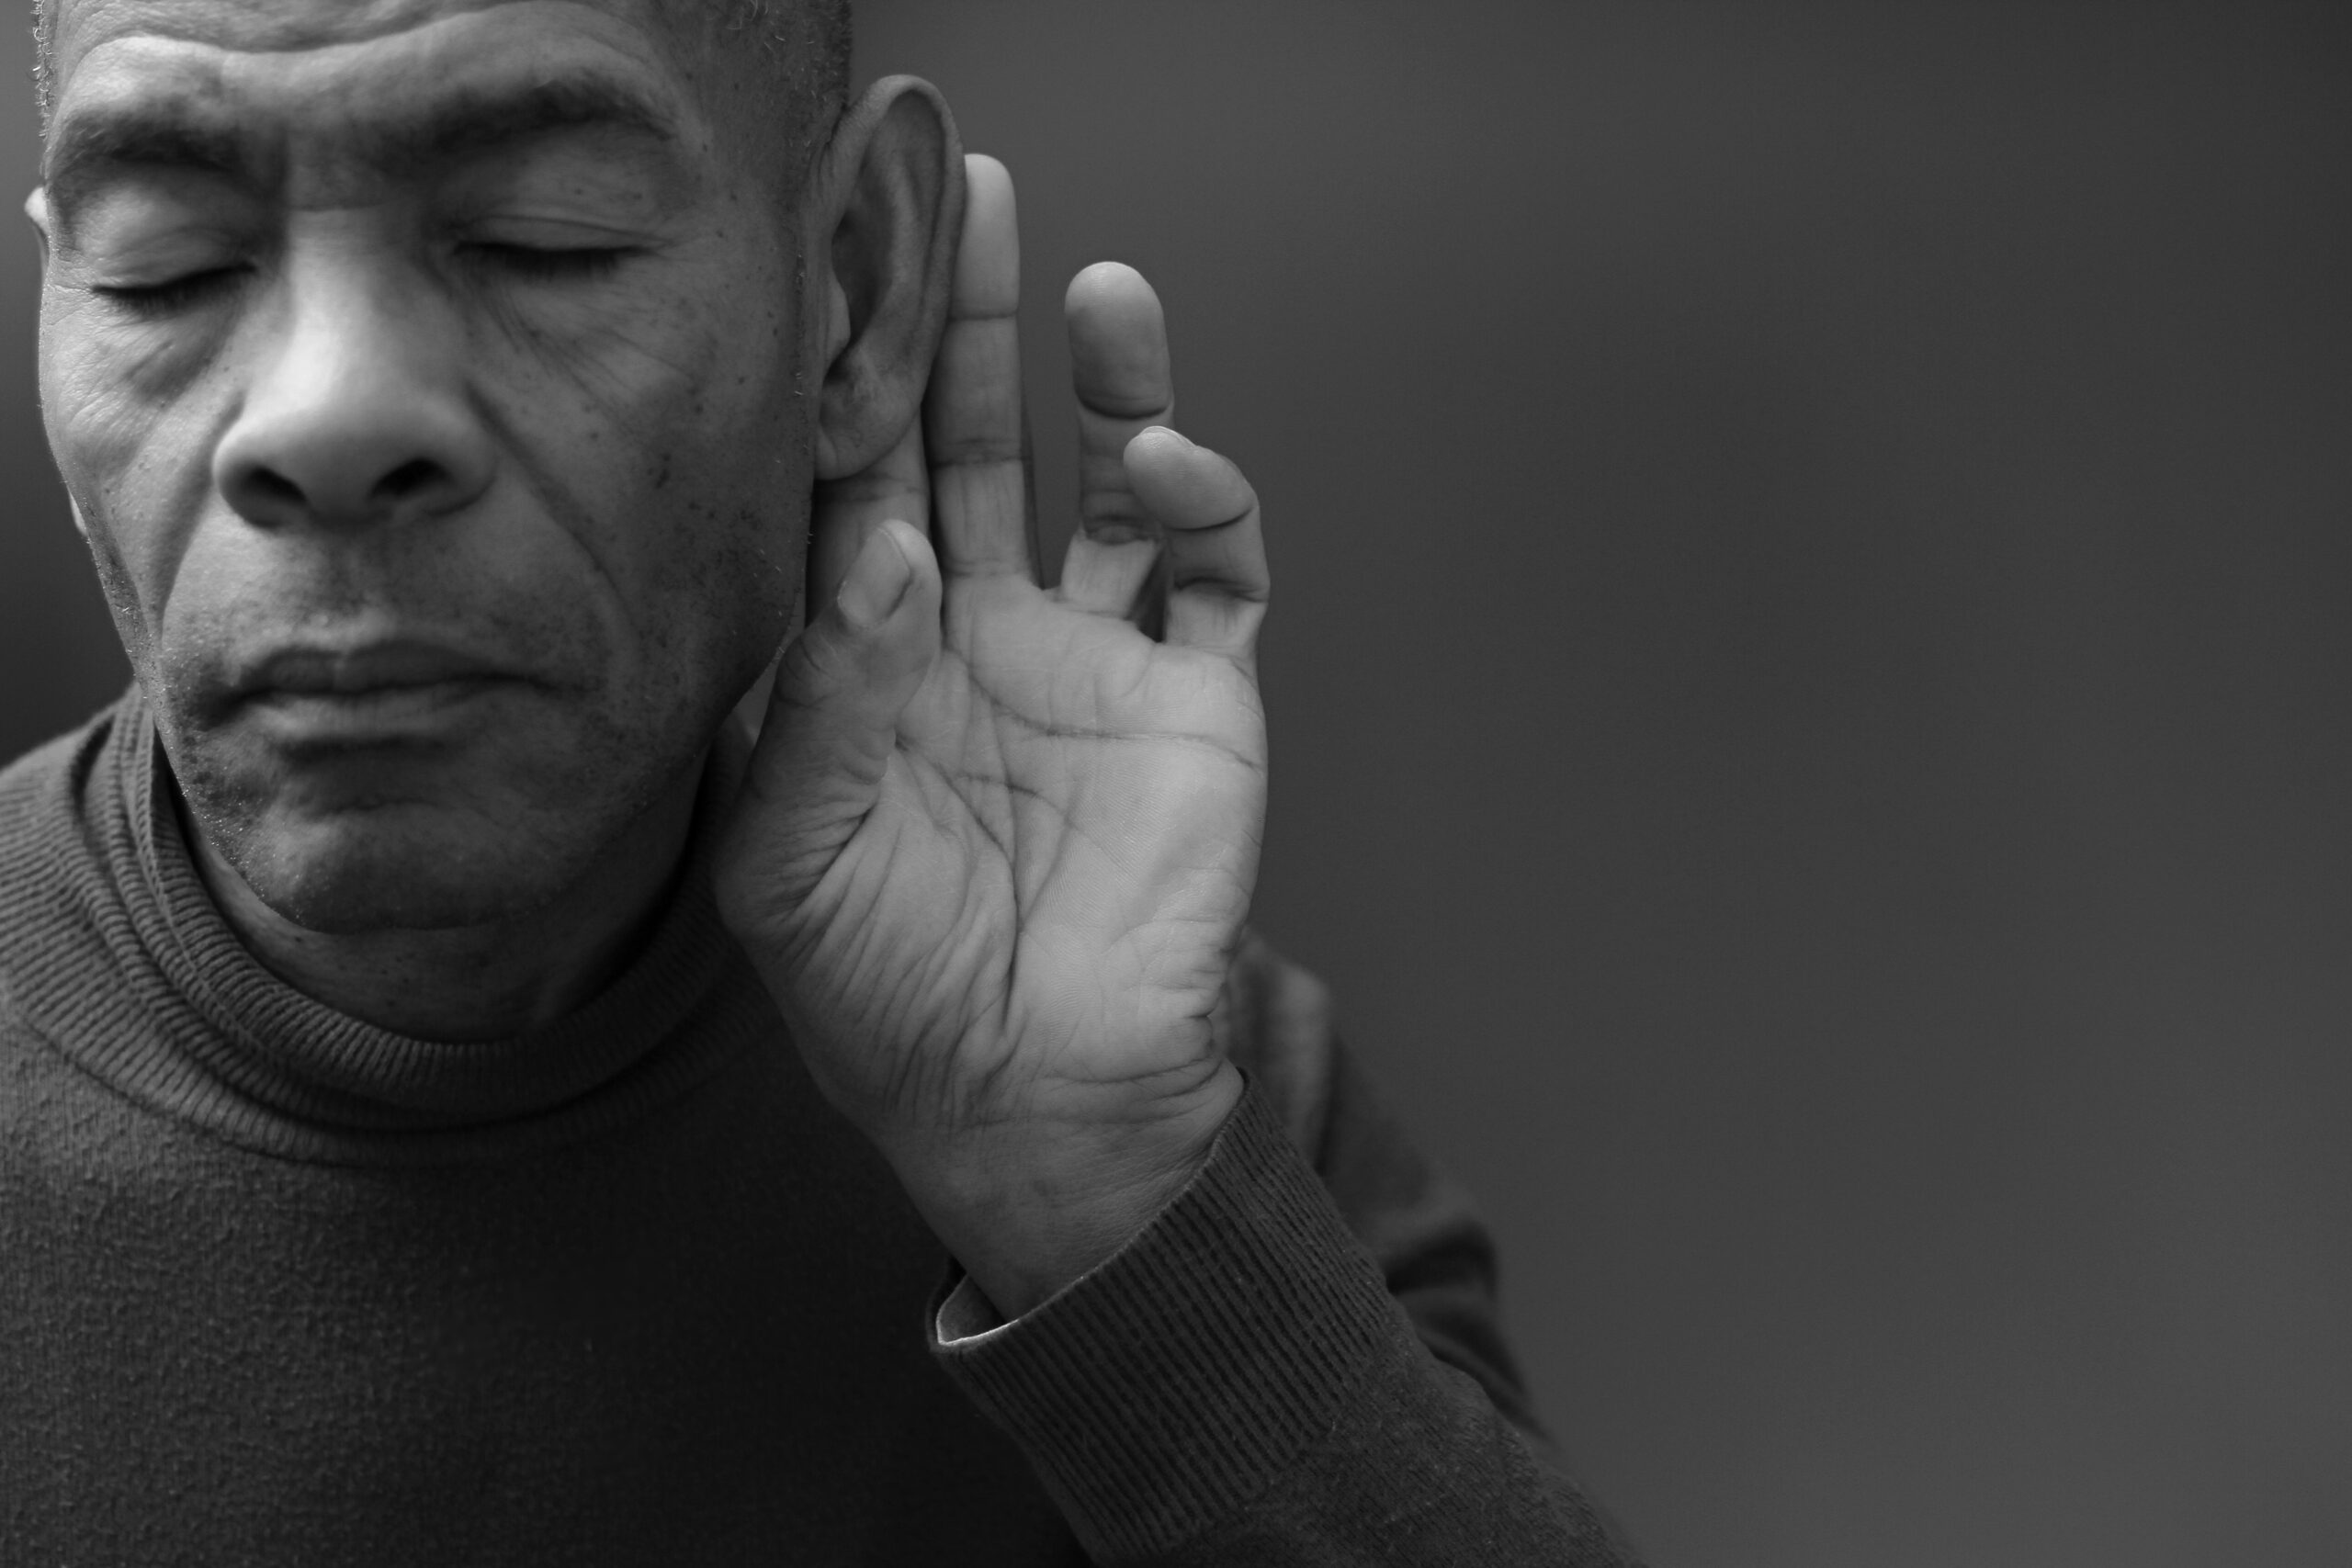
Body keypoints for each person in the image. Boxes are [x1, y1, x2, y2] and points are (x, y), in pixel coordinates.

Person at [0, 0, 1640, 1561]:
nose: (328, 417)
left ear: (846, 289)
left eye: (539, 240)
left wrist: (1102, 1213)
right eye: (168, 266)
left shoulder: (1134, 1077)